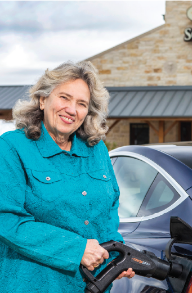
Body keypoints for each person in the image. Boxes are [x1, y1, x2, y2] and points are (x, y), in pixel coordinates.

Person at [0, 61, 135, 293]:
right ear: (43, 100)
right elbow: (7, 220)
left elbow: (109, 208)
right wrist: (77, 249)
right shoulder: (12, 147)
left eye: (81, 103)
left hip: (92, 285)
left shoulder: (97, 149)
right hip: (32, 285)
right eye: (64, 97)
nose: (72, 110)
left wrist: (116, 255)